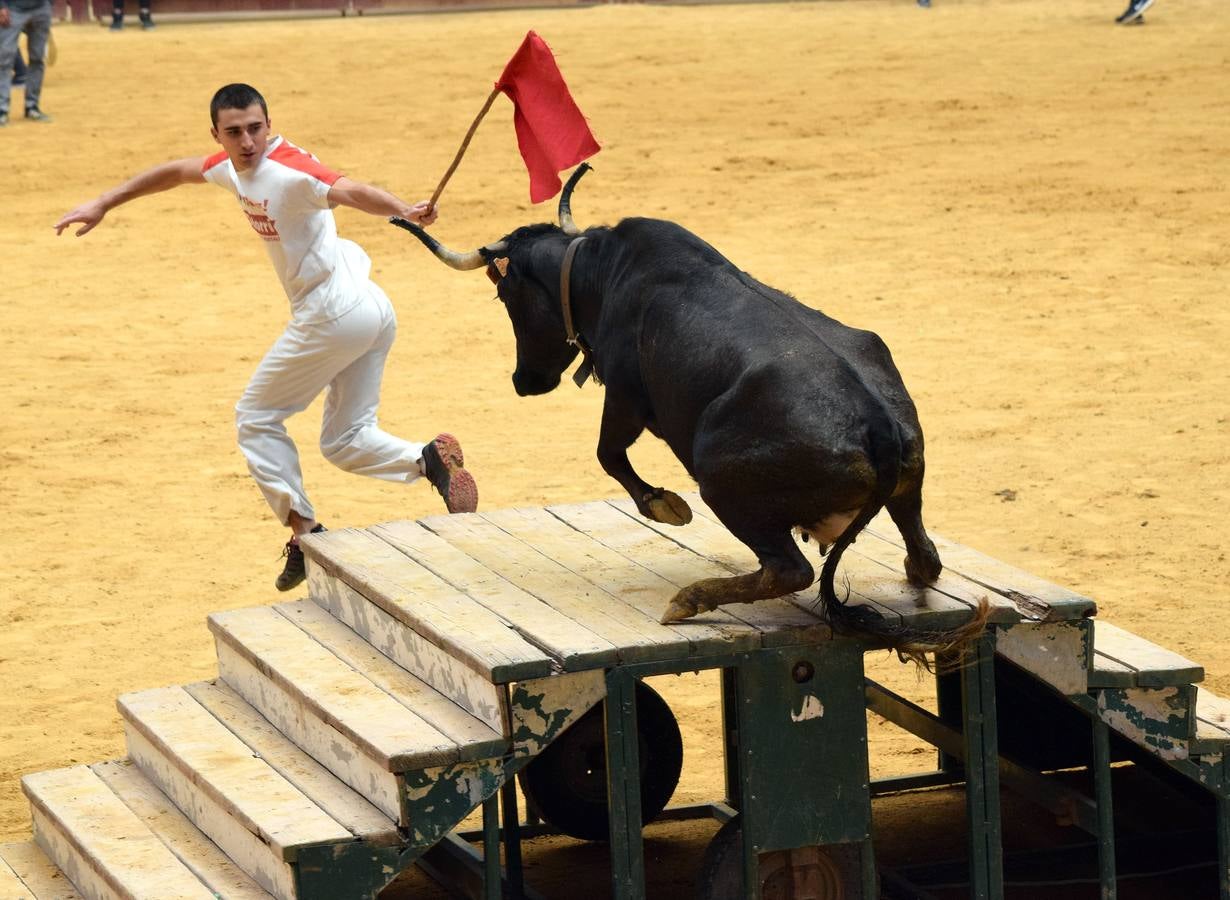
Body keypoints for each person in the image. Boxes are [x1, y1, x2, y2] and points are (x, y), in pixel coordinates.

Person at [54, 82, 478, 591]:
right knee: (344, 442)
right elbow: (176, 171)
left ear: (269, 125)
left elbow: (346, 188)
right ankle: (429, 458)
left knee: (255, 416)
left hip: (334, 312)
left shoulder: (290, 169)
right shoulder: (228, 167)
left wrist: (402, 209)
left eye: (256, 128)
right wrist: (105, 201)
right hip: (370, 309)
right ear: (218, 134)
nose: (247, 140)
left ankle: (305, 532)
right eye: (234, 132)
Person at [0, 0, 52, 127]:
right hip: (13, 9)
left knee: (37, 59)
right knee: (4, 61)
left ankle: (32, 107)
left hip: (41, 8)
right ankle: (2, 110)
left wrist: (49, 6)